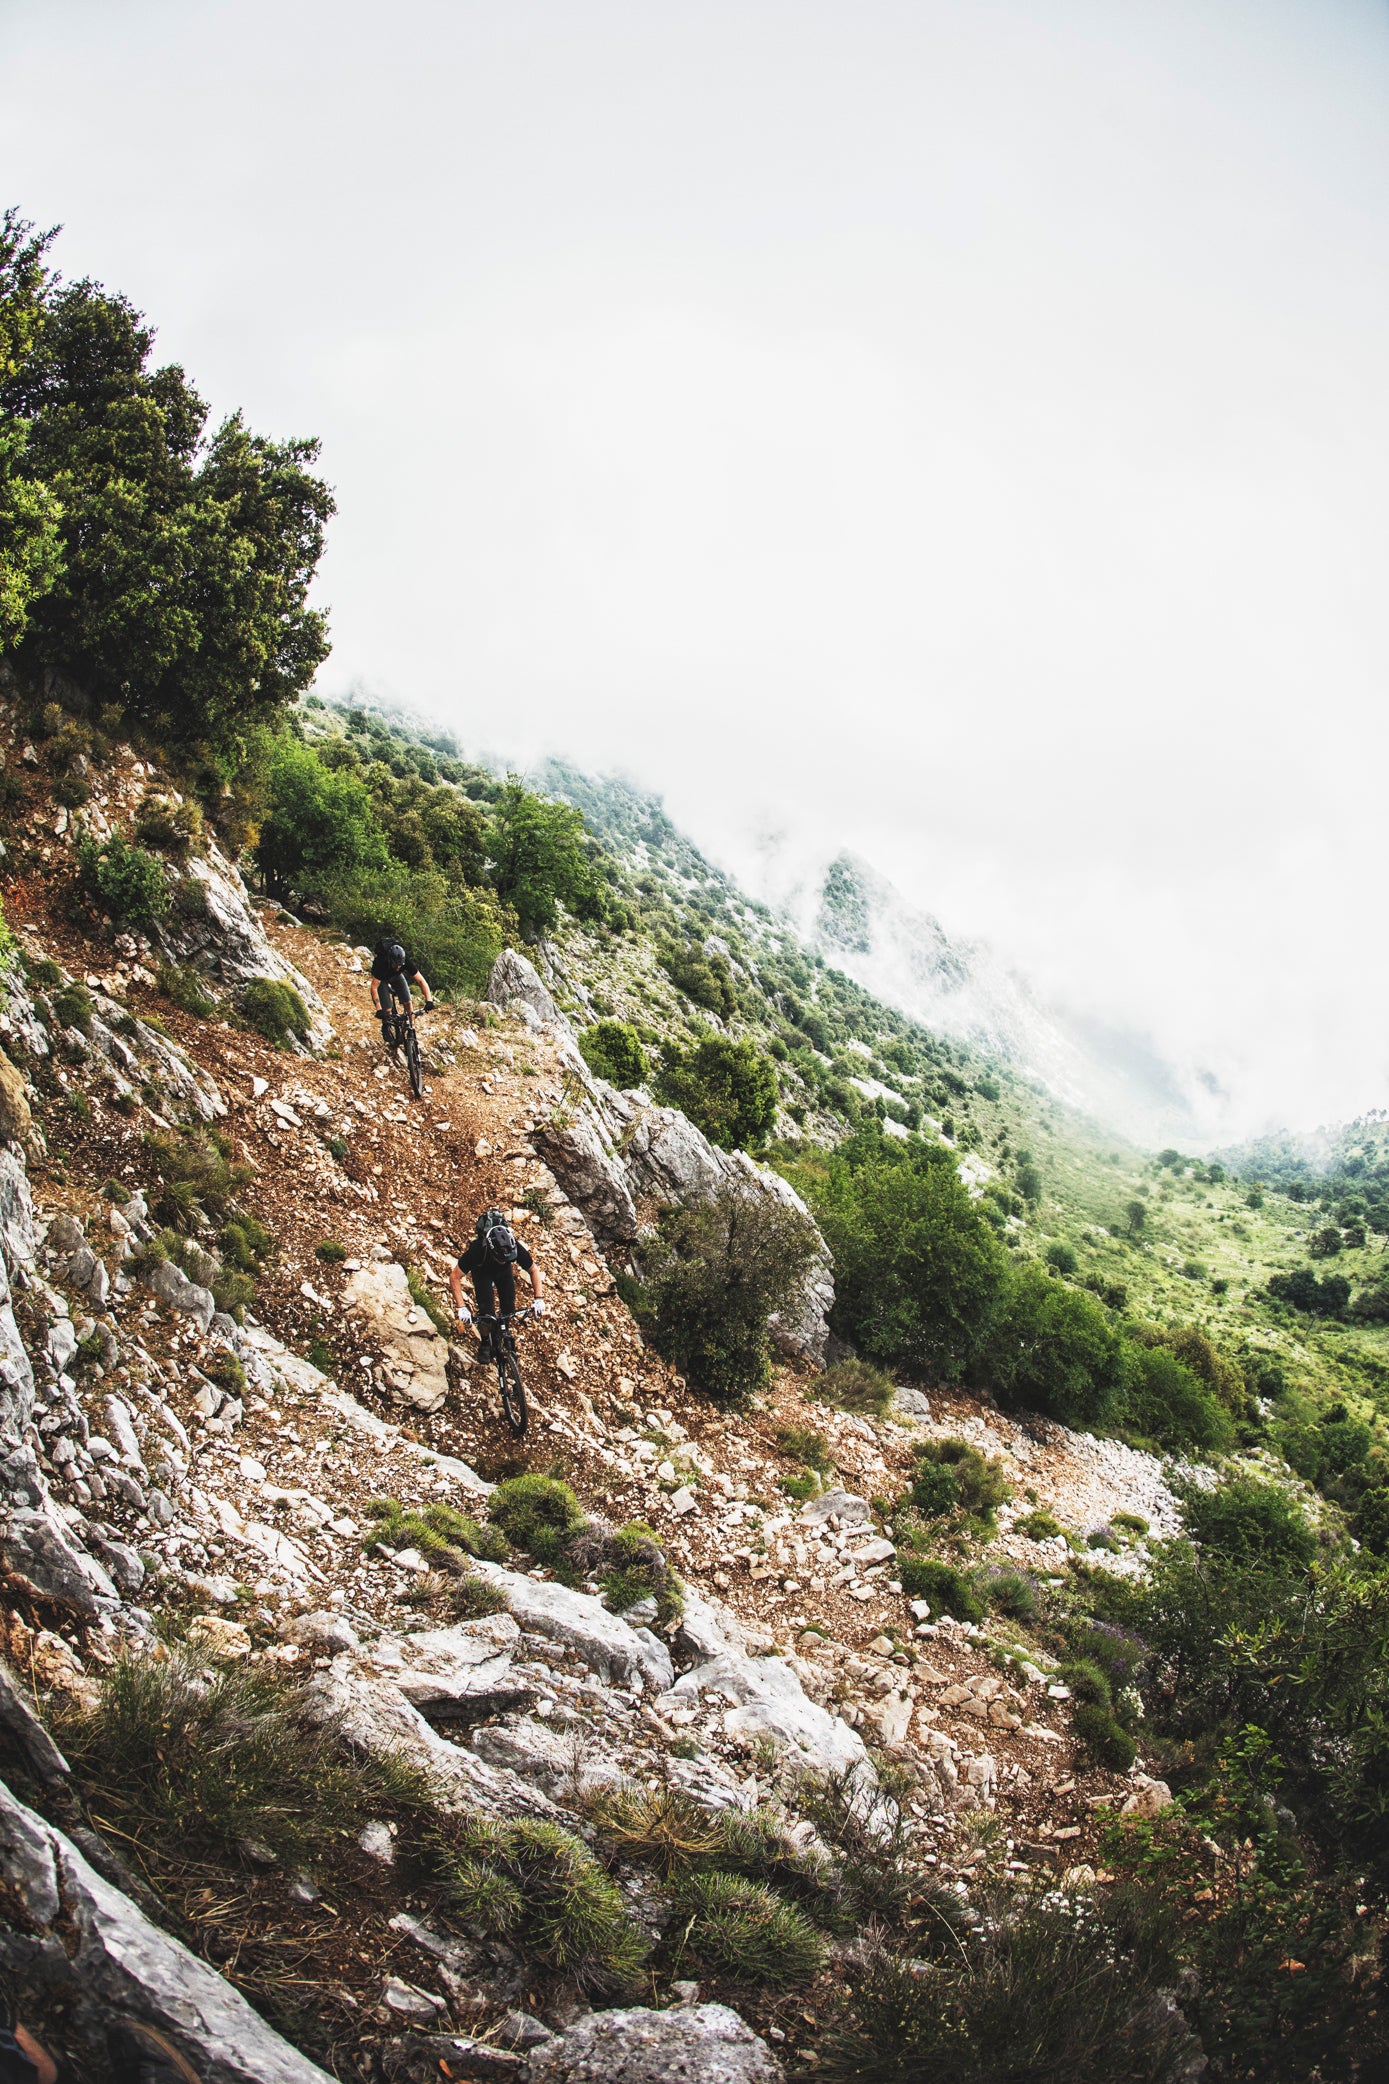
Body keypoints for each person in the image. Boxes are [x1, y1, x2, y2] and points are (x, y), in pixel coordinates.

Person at [450, 1208, 545, 1363]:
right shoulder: (477, 1250)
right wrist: (461, 1307)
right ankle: (485, 1341)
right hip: (482, 1271)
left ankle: (501, 1332)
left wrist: (539, 1298)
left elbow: (533, 1270)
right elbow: (454, 1277)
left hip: (503, 1273)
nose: (503, 1261)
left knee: (509, 1308)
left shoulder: (513, 1247)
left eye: (506, 1259)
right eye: (500, 1259)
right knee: (486, 1312)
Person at [369, 937, 433, 1060]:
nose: (398, 967)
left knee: (408, 1003)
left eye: (400, 965)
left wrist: (429, 1000)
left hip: (397, 978)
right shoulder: (381, 963)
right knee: (387, 1010)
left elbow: (420, 980)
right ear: (390, 960)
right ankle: (385, 1025)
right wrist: (379, 1009)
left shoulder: (405, 962)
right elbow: (374, 988)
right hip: (382, 979)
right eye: (395, 965)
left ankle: (411, 1031)